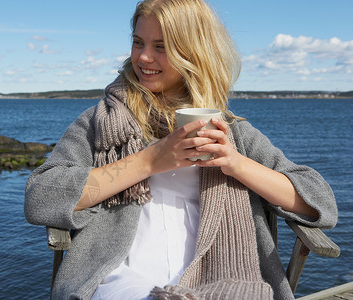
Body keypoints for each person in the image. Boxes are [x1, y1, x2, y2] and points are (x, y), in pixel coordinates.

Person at [24, 0, 337, 299]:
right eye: (138, 43)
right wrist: (148, 161)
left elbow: (319, 203)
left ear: (193, 52)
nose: (144, 57)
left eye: (161, 47)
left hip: (221, 277)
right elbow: (42, 196)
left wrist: (236, 163)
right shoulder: (102, 121)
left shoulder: (230, 132)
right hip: (119, 276)